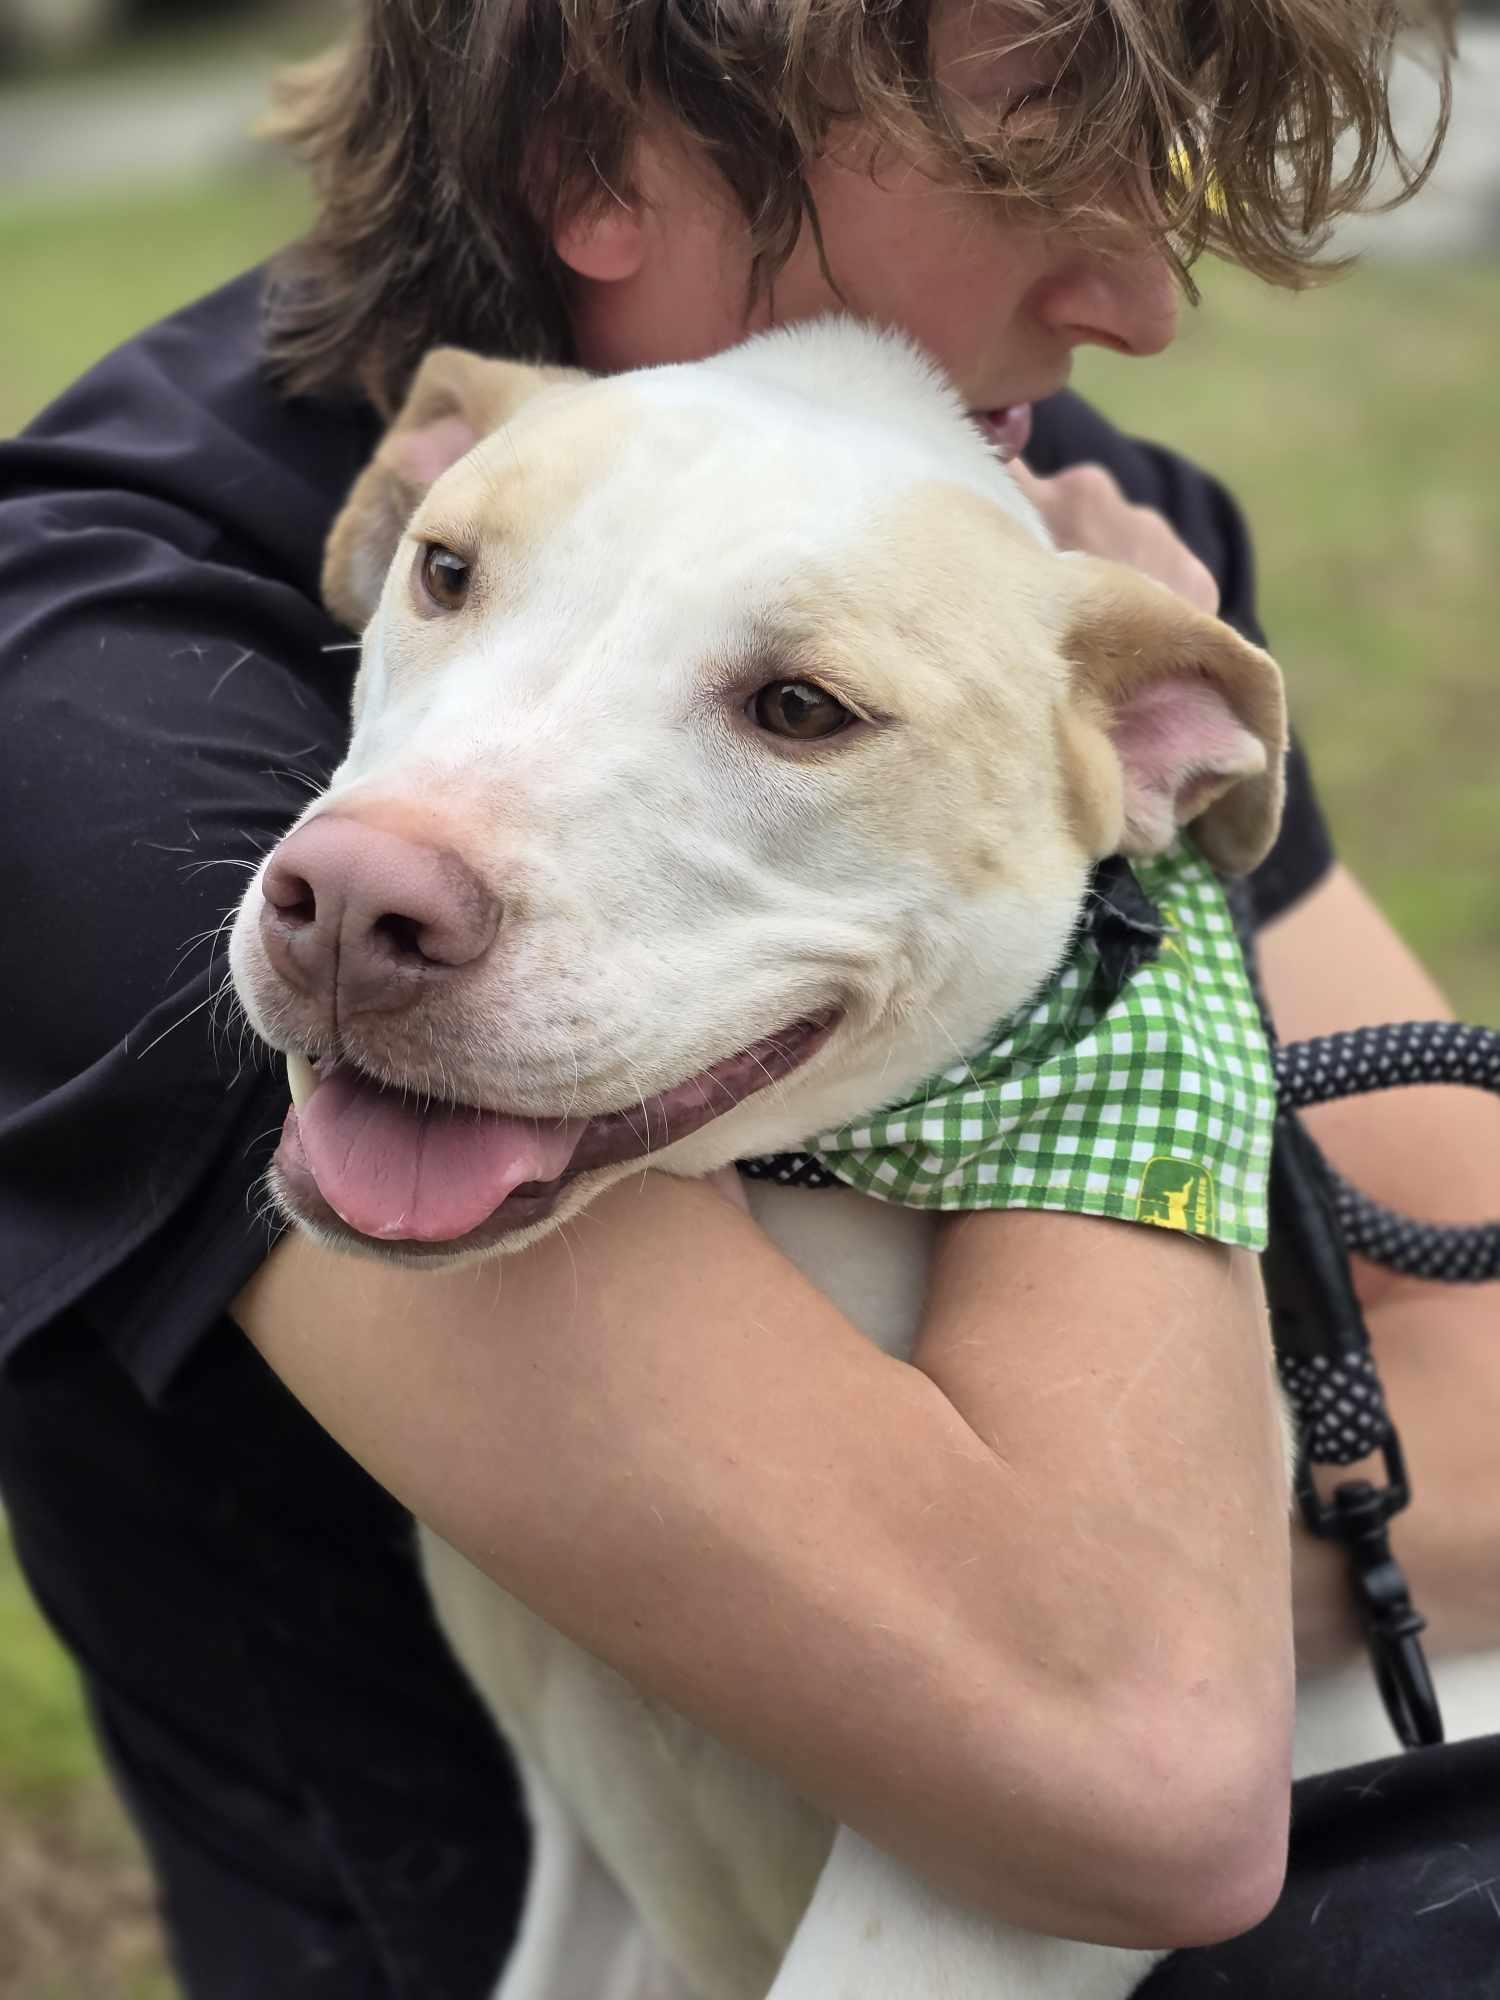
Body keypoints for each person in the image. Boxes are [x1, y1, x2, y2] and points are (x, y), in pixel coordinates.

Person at [1, 3, 1496, 1995]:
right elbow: (1133, 1751)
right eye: (1045, 155)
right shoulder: (87, 683)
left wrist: (1089, 804)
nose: (1139, 302)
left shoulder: (1062, 534)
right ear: (599, 162)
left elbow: (1479, 1379)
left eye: (800, 705)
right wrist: (1117, 899)